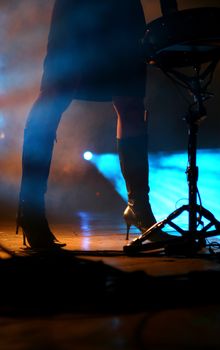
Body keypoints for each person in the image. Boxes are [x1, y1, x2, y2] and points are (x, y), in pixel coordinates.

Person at [16, 0, 164, 249]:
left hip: (123, 10)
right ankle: (30, 208)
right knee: (55, 93)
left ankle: (139, 208)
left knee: (131, 103)